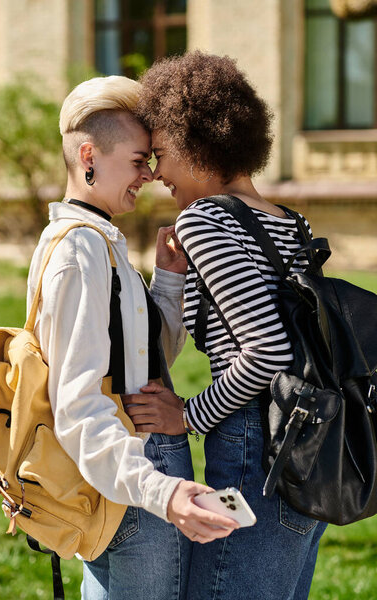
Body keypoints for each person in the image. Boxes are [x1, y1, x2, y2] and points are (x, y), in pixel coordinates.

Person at [123, 51, 328, 599]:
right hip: (311, 449)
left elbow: (266, 350)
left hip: (254, 450)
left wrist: (186, 415)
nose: (158, 172)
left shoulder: (206, 217)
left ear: (199, 143)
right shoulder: (290, 220)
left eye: (162, 154)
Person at [26, 75, 238, 600]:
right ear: (89, 155)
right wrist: (162, 493)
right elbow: (78, 408)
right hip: (133, 479)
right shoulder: (80, 253)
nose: (148, 175)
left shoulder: (100, 241)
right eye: (139, 160)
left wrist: (167, 279)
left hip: (132, 474)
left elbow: (144, 364)